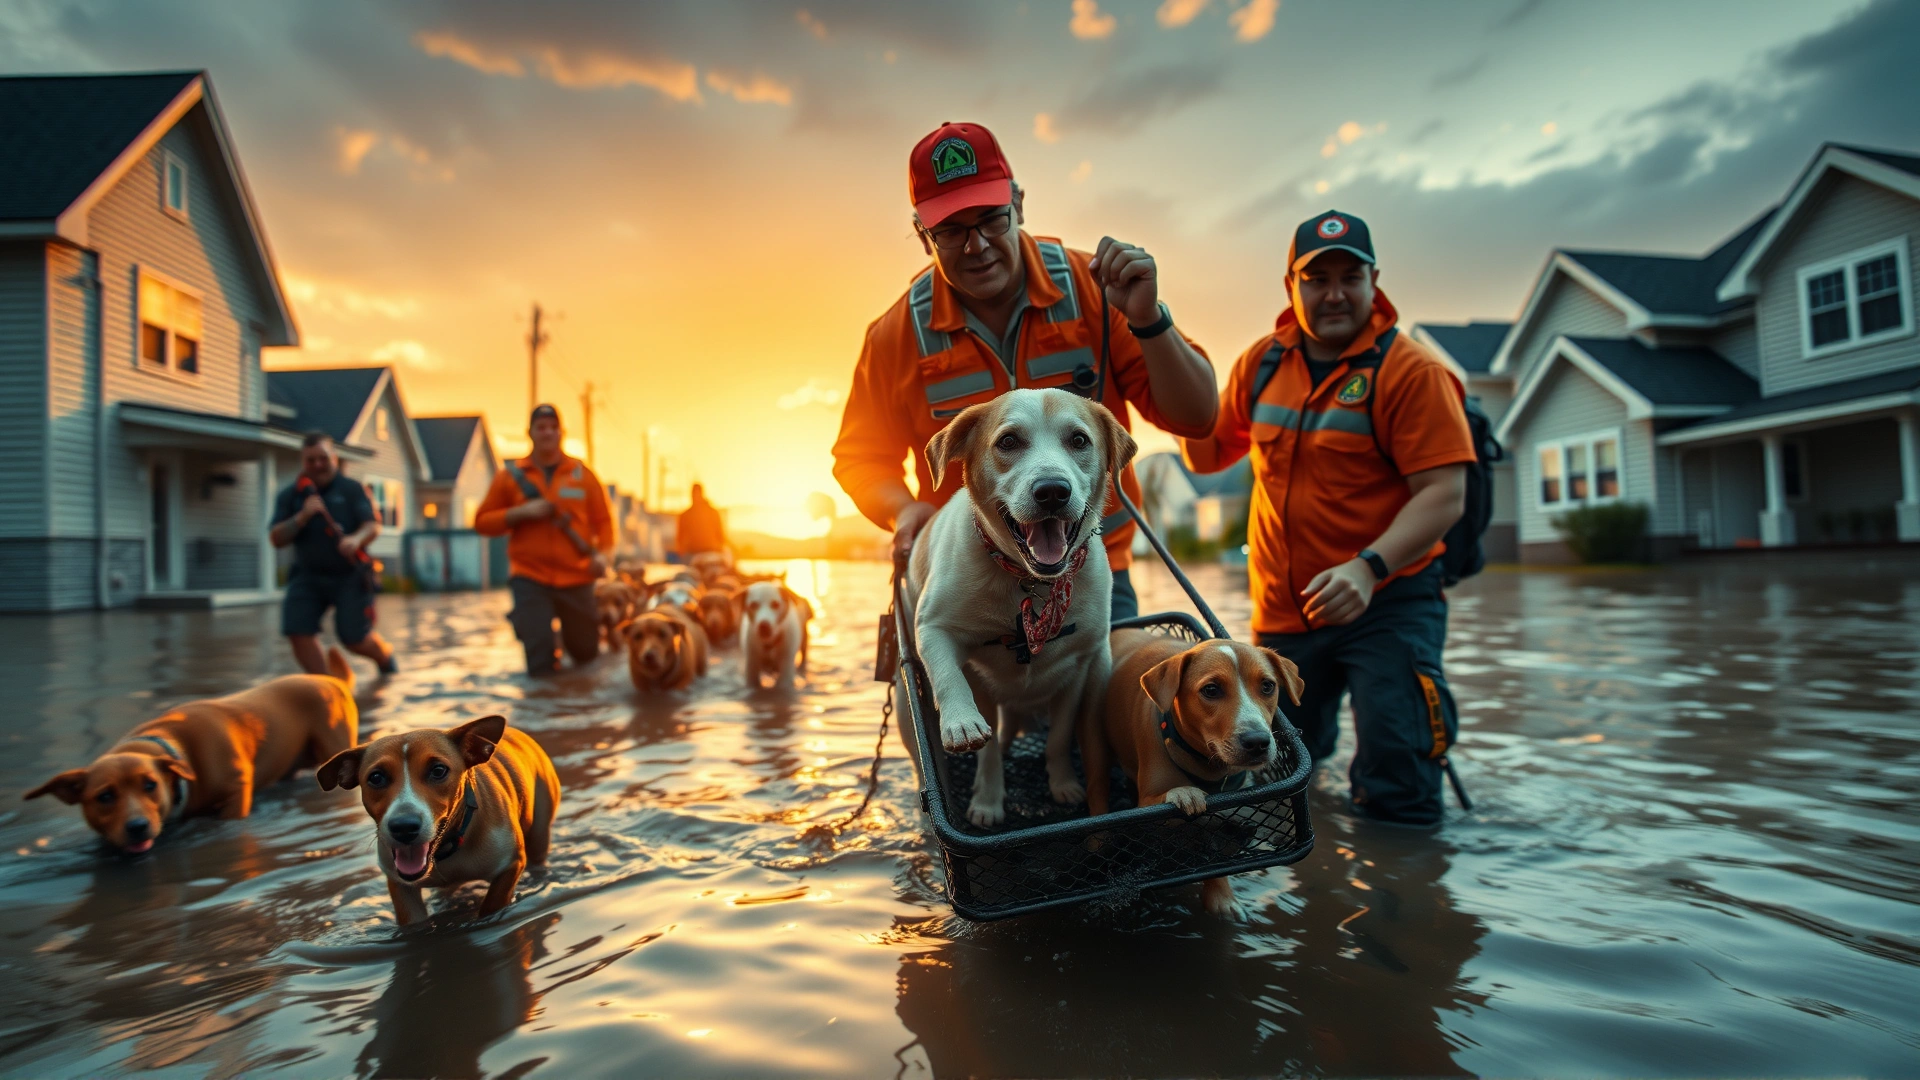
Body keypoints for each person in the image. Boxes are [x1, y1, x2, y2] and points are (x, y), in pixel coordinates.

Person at [833, 121, 1217, 621]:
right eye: (950, 230)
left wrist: (1148, 320)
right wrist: (903, 509)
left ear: (1018, 204)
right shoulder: (893, 337)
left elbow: (1197, 418)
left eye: (992, 219)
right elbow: (860, 457)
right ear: (923, 236)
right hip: (965, 581)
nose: (977, 246)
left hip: (1094, 569)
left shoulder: (1097, 289)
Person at [1182, 210, 1474, 828]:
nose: (1335, 293)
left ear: (1375, 280)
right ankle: (1302, 905)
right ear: (1292, 285)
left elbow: (1446, 494)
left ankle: (1405, 902)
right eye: (1317, 279)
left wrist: (1368, 569)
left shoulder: (1411, 372)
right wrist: (1156, 341)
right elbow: (1204, 454)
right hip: (1286, 613)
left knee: (1400, 774)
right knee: (1275, 774)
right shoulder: (1261, 364)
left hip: (1389, 602)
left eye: (1350, 276)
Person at [474, 404, 614, 675]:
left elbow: (604, 522)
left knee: (586, 656)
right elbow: (481, 523)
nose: (548, 432)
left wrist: (605, 555)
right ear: (530, 433)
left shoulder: (583, 475)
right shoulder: (509, 477)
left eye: (553, 427)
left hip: (577, 577)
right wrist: (519, 513)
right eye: (541, 427)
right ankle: (541, 706)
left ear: (562, 433)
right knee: (539, 662)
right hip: (529, 577)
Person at [269, 431, 397, 676]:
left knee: (353, 639)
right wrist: (302, 517)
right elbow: (276, 538)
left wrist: (356, 539)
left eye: (323, 458)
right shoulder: (290, 496)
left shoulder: (352, 490)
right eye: (311, 460)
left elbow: (373, 524)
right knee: (297, 630)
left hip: (349, 574)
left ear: (334, 458)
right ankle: (327, 688)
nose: (317, 465)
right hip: (307, 575)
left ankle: (384, 658)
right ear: (302, 462)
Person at [674, 483, 728, 560]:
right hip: (694, 554)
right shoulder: (685, 515)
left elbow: (721, 537)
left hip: (708, 553)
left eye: (696, 494)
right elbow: (679, 539)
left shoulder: (712, 513)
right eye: (693, 494)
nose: (694, 497)